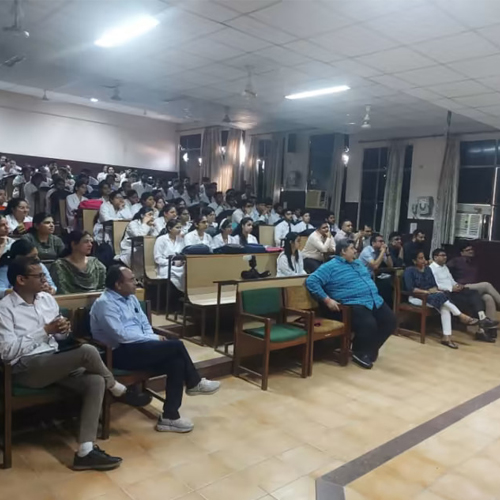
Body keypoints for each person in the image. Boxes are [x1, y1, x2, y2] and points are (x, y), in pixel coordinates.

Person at [0, 257, 151, 470]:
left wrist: (63, 330)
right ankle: (118, 389)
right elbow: (6, 353)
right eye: (39, 276)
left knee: (96, 381)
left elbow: (59, 338)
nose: (44, 280)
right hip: (26, 369)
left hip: (54, 360)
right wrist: (44, 331)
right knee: (87, 351)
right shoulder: (5, 308)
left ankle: (85, 451)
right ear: (21, 280)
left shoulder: (46, 300)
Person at [90, 266, 220, 432]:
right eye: (131, 280)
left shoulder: (131, 297)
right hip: (117, 353)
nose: (136, 282)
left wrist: (152, 337)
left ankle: (170, 417)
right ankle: (194, 382)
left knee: (177, 362)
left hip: (139, 347)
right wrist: (154, 339)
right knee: (176, 345)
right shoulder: (105, 304)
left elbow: (144, 323)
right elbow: (121, 335)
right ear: (118, 284)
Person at [306, 240, 396, 369]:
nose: (355, 251)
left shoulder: (358, 263)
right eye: (352, 248)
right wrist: (327, 300)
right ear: (343, 251)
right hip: (352, 303)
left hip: (374, 299)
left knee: (390, 321)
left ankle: (369, 348)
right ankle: (360, 352)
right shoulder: (330, 266)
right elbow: (311, 281)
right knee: (369, 324)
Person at [403, 251, 478, 349]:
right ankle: (460, 316)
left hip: (431, 296)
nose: (424, 260)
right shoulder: (409, 271)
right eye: (420, 258)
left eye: (424, 258)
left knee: (443, 305)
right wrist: (426, 292)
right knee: (442, 299)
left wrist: (433, 290)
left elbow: (434, 285)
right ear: (414, 261)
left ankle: (447, 337)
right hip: (417, 298)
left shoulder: (427, 269)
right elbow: (411, 289)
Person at [430, 248, 498, 342]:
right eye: (442, 255)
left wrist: (457, 285)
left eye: (445, 255)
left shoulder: (444, 267)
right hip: (446, 293)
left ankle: (482, 320)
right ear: (435, 257)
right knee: (474, 297)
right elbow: (435, 285)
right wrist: (451, 288)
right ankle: (482, 326)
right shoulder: (431, 269)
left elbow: (451, 280)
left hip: (455, 290)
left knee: (474, 294)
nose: (445, 257)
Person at [448, 242, 500, 321]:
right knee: (486, 285)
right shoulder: (456, 261)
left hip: (474, 288)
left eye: (471, 249)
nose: (471, 251)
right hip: (463, 287)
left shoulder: (474, 262)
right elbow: (444, 270)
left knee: (488, 298)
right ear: (462, 253)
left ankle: (490, 324)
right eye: (468, 250)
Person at [154, 220, 186, 290]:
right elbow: (157, 259)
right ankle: (171, 294)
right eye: (177, 228)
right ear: (169, 228)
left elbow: (183, 253)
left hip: (180, 266)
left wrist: (182, 261)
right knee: (170, 273)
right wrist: (173, 263)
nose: (179, 230)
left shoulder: (181, 239)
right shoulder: (161, 239)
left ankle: (183, 294)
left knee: (187, 271)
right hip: (166, 266)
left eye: (180, 228)